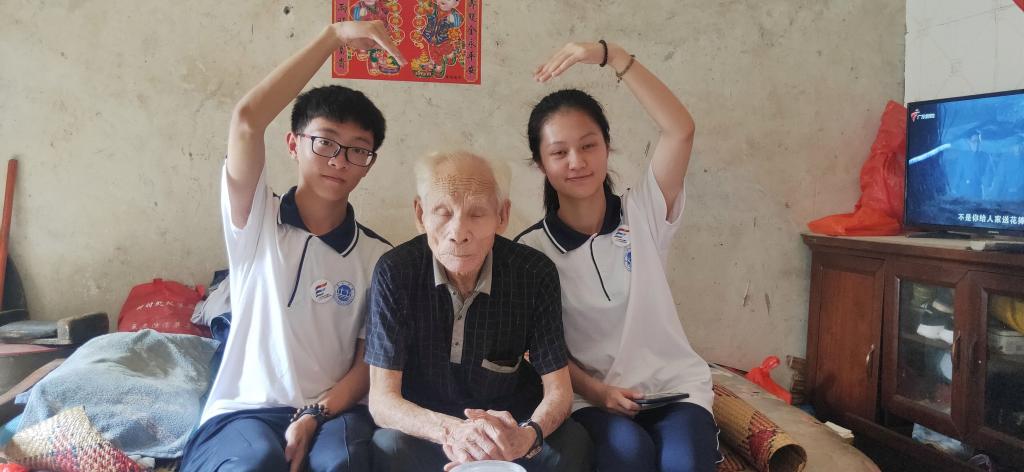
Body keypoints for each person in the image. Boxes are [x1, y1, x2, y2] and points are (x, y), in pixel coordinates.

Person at [180, 21, 406, 472]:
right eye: (325, 142)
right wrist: (333, 37)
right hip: (245, 412)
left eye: (357, 150)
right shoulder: (256, 220)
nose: (339, 161)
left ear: (368, 164)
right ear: (293, 144)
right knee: (256, 463)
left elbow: (369, 363)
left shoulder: (378, 258)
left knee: (341, 465)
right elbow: (247, 120)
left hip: (332, 413)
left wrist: (315, 413)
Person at [515, 40, 722, 472]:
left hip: (674, 391)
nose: (577, 161)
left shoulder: (643, 212)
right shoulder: (530, 251)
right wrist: (598, 392)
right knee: (628, 455)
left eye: (588, 145)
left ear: (607, 147)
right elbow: (539, 351)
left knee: (684, 464)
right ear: (540, 163)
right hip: (591, 401)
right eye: (559, 152)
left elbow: (680, 130)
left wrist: (613, 56)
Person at [365, 151, 592, 472]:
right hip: (430, 429)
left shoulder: (534, 273)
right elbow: (382, 401)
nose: (459, 232)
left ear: (502, 215)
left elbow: (559, 391)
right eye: (443, 212)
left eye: (477, 213)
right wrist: (454, 432)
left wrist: (526, 436)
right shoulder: (395, 271)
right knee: (389, 447)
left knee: (572, 443)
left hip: (510, 428)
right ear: (420, 214)